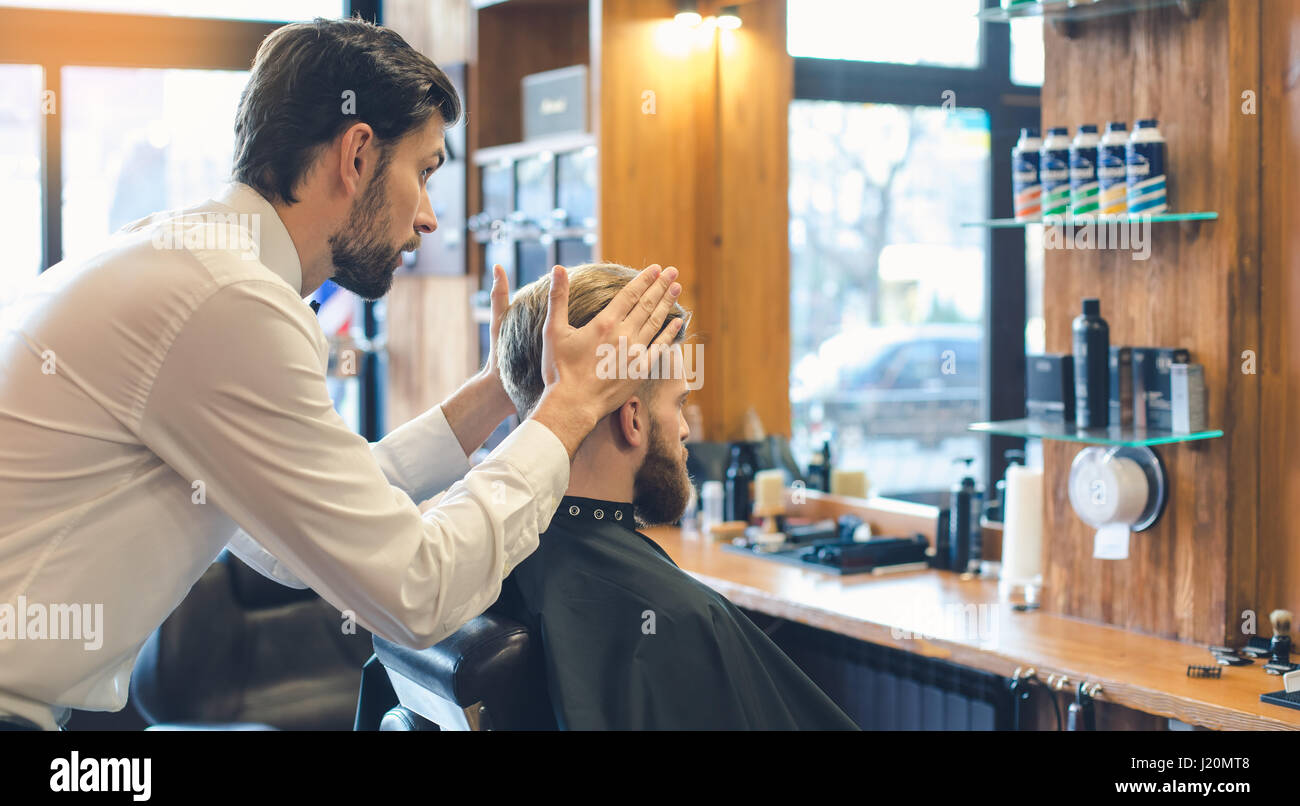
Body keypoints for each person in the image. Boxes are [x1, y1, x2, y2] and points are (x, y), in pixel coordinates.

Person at [0, 18, 683, 731]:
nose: (427, 219)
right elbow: (417, 589)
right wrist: (565, 410)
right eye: (422, 173)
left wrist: (497, 396)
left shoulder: (183, 260)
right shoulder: (228, 303)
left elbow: (287, 539)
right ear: (357, 154)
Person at [492, 264, 859, 730]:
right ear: (634, 419)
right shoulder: (682, 617)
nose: (685, 431)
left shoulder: (487, 558)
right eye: (679, 404)